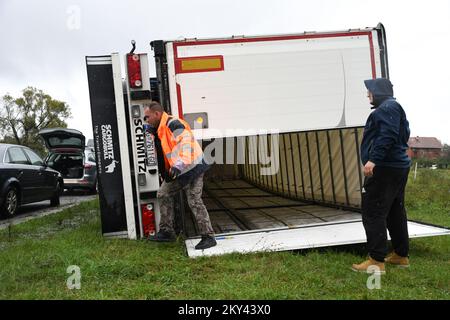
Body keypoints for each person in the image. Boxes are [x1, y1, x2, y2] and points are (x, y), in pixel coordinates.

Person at [352, 78, 411, 274]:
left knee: (373, 212)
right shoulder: (393, 108)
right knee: (395, 211)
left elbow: (388, 134)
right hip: (396, 167)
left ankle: (376, 260)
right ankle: (401, 255)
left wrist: (373, 159)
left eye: (369, 91)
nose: (368, 95)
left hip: (385, 168)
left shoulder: (387, 108)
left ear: (377, 92)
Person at [144, 101, 217, 250]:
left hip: (193, 166)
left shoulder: (173, 124)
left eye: (147, 117)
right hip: (181, 168)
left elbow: (186, 143)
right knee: (163, 193)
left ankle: (208, 236)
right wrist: (167, 172)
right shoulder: (160, 129)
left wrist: (178, 165)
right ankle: (167, 232)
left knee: (194, 200)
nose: (146, 120)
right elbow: (167, 152)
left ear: (157, 114)